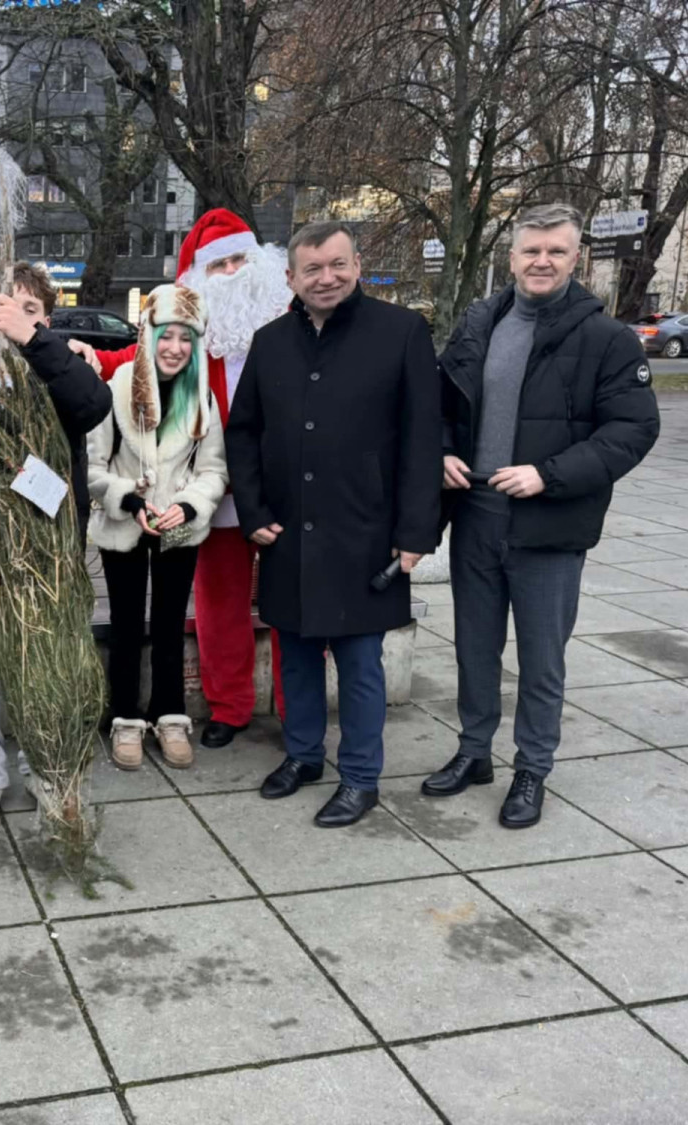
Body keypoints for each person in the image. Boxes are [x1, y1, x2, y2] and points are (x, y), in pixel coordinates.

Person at [423, 203, 659, 828]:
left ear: (575, 256)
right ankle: (474, 752)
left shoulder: (606, 339)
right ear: (512, 256)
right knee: (474, 647)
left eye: (556, 250)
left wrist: (547, 475)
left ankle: (532, 767)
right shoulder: (480, 322)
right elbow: (441, 402)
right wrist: (443, 450)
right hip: (476, 514)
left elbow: (633, 430)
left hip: (549, 526)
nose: (542, 261)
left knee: (541, 657)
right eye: (532, 250)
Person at [225, 221, 441, 828]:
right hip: (288, 533)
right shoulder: (270, 343)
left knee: (360, 666)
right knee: (293, 655)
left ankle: (361, 778)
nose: (327, 278)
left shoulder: (401, 333)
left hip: (366, 533)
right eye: (312, 269)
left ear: (357, 264)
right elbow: (244, 434)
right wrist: (254, 512)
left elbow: (425, 438)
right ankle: (302, 756)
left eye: (337, 265)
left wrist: (416, 534)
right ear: (291, 277)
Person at [95, 210, 291, 747]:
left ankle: (299, 710)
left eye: (239, 259)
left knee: (292, 600)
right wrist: (87, 355)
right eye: (218, 263)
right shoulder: (192, 336)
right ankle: (228, 708)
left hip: (281, 484)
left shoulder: (290, 320)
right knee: (218, 600)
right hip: (210, 487)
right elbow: (136, 357)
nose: (231, 272)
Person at [0, 263, 112, 827]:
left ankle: (45, 765)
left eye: (30, 308)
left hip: (50, 548)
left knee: (48, 658)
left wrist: (38, 341)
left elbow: (92, 406)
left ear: (44, 315)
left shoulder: (59, 358)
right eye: (4, 306)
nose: (15, 317)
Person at [87, 284, 228, 770]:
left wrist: (189, 507)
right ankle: (125, 718)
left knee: (170, 625)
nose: (175, 348)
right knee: (126, 624)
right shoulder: (117, 387)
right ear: (148, 335)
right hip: (126, 524)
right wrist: (126, 498)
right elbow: (91, 468)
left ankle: (170, 715)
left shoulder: (201, 396)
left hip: (178, 528)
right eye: (166, 336)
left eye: (185, 338)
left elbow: (213, 471)